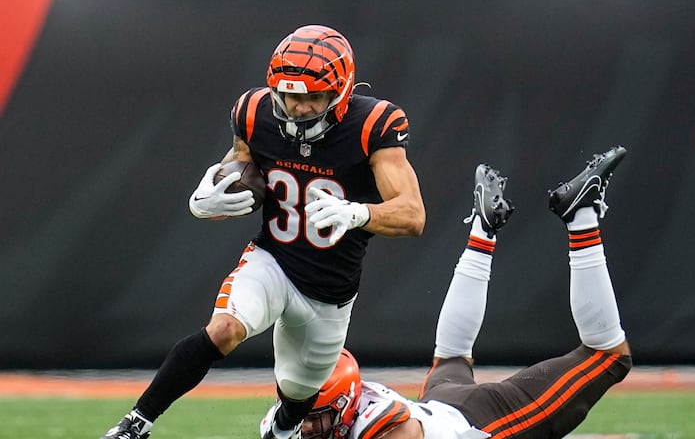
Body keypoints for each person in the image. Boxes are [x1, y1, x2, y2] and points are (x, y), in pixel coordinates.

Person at [101, 24, 425, 439]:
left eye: (312, 98)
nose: (299, 108)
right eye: (290, 96)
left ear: (341, 94)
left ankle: (282, 429)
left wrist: (358, 213)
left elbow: (413, 215)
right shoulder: (254, 114)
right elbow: (241, 171)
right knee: (225, 328)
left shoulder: (371, 125)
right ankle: (134, 426)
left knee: (298, 393)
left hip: (330, 292)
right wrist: (208, 199)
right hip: (274, 259)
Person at [274, 146, 631, 439]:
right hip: (441, 401)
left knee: (610, 356)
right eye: (300, 412)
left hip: (483, 419)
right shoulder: (296, 419)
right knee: (450, 359)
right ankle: (482, 230)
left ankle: (581, 216)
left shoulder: (386, 431)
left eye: (313, 417)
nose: (302, 426)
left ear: (345, 407)